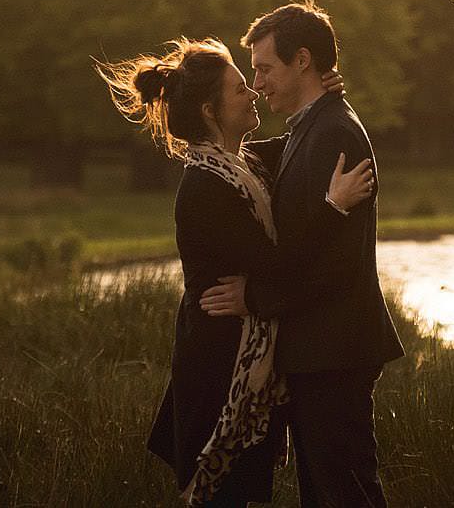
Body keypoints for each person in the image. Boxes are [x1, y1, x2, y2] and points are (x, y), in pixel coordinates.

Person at [101, 39, 373, 505]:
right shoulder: (207, 186)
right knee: (220, 494)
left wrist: (324, 94)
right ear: (211, 110)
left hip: (245, 361)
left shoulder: (241, 162)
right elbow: (280, 264)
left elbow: (300, 141)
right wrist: (332, 208)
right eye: (240, 88)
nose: (252, 93)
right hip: (221, 371)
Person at [200, 1, 405, 507]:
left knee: (345, 492)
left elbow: (332, 267)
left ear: (303, 61)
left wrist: (256, 297)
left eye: (265, 69)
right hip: (321, 349)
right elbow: (258, 158)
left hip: (334, 350)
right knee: (330, 490)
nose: (257, 83)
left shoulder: (333, 132)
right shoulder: (310, 126)